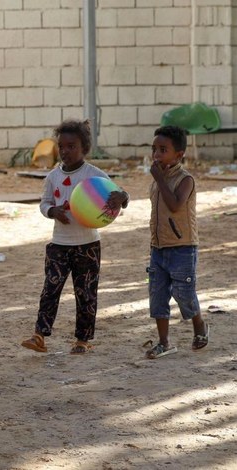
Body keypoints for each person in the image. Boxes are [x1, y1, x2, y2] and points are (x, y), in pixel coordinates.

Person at [21, 119, 129, 355]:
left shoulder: (94, 175)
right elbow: (44, 203)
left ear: (84, 148)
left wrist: (122, 198)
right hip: (59, 244)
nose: (65, 151)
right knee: (50, 289)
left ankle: (83, 339)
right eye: (62, 146)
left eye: (72, 146)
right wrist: (53, 211)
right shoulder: (52, 177)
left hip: (88, 245)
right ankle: (39, 335)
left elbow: (119, 194)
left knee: (86, 293)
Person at [144, 125, 209, 359]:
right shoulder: (156, 181)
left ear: (179, 154)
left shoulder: (186, 180)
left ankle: (199, 324)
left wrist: (159, 178)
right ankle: (164, 342)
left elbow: (174, 205)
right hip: (158, 248)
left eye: (163, 150)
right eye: (154, 149)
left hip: (183, 247)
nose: (157, 155)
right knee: (157, 294)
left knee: (184, 292)